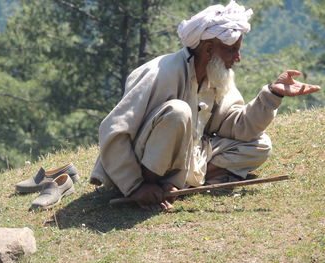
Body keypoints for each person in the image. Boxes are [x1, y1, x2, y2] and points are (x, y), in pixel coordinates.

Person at [89, 0, 321, 211]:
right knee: (178, 110)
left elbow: (237, 126)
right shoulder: (160, 72)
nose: (237, 58)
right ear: (208, 49)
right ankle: (152, 188)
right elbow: (113, 130)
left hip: (187, 154)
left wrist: (272, 94)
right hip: (141, 164)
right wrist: (135, 186)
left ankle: (174, 182)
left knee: (260, 145)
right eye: (231, 50)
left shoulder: (216, 75)